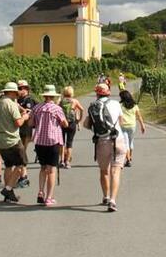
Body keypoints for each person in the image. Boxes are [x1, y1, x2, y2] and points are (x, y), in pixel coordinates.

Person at [84, 83, 126, 212]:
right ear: (108, 92)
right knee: (116, 171)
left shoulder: (93, 107)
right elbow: (122, 122)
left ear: (97, 93)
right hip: (118, 140)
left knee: (104, 171)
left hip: (102, 141)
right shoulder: (116, 104)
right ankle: (113, 200)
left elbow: (86, 124)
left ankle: (106, 196)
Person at [31, 85, 69, 206]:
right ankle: (49, 197)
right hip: (53, 141)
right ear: (53, 96)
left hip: (39, 141)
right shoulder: (56, 109)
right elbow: (65, 123)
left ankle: (40, 192)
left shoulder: (36, 108)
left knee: (42, 168)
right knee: (52, 170)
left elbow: (30, 123)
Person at [0, 82, 31, 203]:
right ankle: (8, 189)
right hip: (12, 140)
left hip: (0, 140)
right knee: (21, 165)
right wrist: (25, 116)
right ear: (12, 92)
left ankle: (8, 194)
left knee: (8, 166)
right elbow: (18, 123)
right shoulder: (11, 104)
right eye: (16, 91)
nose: (17, 93)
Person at [17, 79, 37, 188]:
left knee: (21, 151)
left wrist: (18, 107)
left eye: (20, 88)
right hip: (17, 129)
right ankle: (22, 175)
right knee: (18, 152)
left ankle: (24, 176)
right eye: (18, 88)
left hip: (25, 130)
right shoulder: (18, 99)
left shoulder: (28, 100)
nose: (19, 90)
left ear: (26, 89)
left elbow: (29, 113)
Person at [58, 86, 84, 169]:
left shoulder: (61, 101)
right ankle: (68, 162)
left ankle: (61, 160)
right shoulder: (75, 101)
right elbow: (82, 109)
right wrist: (79, 120)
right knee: (69, 143)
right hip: (71, 124)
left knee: (61, 143)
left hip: (62, 123)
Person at [118, 89, 146, 167]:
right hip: (132, 126)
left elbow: (117, 116)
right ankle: (129, 158)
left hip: (123, 126)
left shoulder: (120, 105)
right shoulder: (135, 105)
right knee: (130, 142)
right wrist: (142, 125)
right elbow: (139, 116)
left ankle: (128, 160)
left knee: (125, 143)